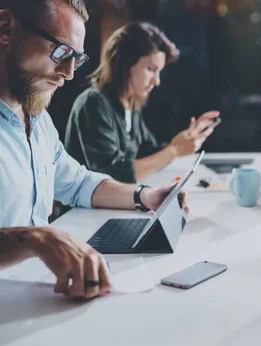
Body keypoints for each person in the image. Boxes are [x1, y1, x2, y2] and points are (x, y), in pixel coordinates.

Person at [0, 0, 189, 300]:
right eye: (60, 51)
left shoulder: (38, 121)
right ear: (6, 28)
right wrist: (33, 238)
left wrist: (144, 195)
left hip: (32, 295)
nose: (69, 72)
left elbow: (78, 182)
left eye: (76, 58)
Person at [65, 22, 219, 183]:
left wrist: (184, 141)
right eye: (151, 69)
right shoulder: (93, 103)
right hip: (80, 208)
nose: (157, 81)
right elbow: (111, 175)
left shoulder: (130, 102)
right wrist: (174, 150)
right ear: (125, 63)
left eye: (159, 72)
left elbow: (146, 152)